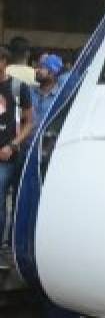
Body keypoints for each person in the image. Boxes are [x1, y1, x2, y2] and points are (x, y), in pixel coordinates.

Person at [0, 47, 33, 247]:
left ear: (4, 62)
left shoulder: (18, 87)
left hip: (9, 155)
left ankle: (9, 243)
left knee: (12, 199)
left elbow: (30, 122)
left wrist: (12, 145)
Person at [31, 54, 63, 132]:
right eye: (37, 67)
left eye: (41, 68)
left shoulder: (61, 96)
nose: (36, 70)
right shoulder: (29, 91)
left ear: (52, 72)